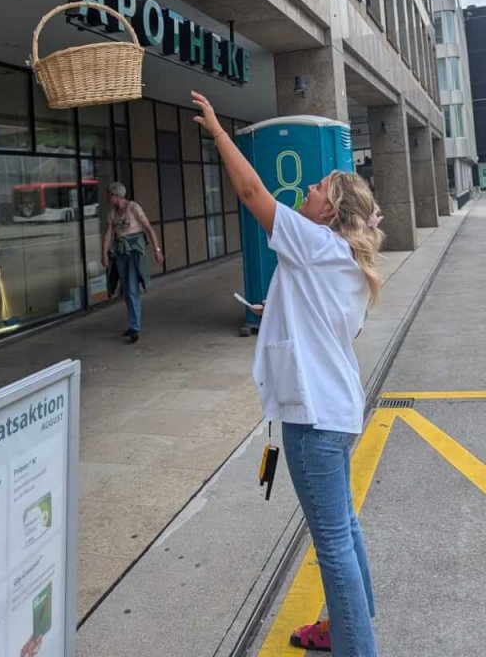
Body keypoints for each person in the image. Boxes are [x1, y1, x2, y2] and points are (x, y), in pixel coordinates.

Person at [191, 91, 384, 657]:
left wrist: (219, 134)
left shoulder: (313, 242)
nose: (308, 190)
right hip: (338, 414)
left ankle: (357, 645)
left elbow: (252, 192)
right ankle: (352, 626)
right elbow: (322, 321)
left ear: (331, 209)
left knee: (331, 542)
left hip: (315, 421)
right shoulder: (344, 260)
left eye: (318, 187)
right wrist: (266, 311)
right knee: (343, 530)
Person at [102, 182, 163, 343]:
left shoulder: (133, 208)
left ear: (117, 196)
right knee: (126, 291)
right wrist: (104, 254)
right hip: (120, 253)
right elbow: (108, 233)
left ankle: (135, 327)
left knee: (132, 289)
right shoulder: (112, 213)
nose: (108, 198)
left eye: (110, 195)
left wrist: (157, 250)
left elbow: (148, 228)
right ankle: (132, 323)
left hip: (134, 253)